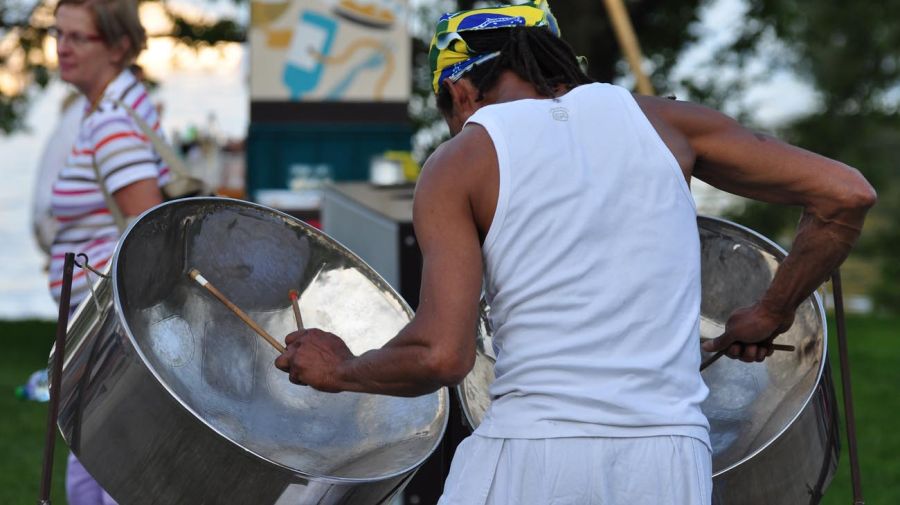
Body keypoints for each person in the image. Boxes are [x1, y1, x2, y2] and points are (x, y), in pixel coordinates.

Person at [275, 2, 876, 503]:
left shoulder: (462, 161)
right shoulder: (670, 124)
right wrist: (772, 311)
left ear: (460, 89)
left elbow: (441, 355)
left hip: (530, 458)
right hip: (671, 464)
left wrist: (340, 370)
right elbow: (844, 194)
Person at [48, 0, 169, 503]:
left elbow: (150, 237)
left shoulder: (112, 124)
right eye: (57, 34)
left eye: (78, 37)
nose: (62, 47)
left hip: (110, 341)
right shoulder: (113, 111)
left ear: (119, 47)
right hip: (107, 336)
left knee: (99, 480)